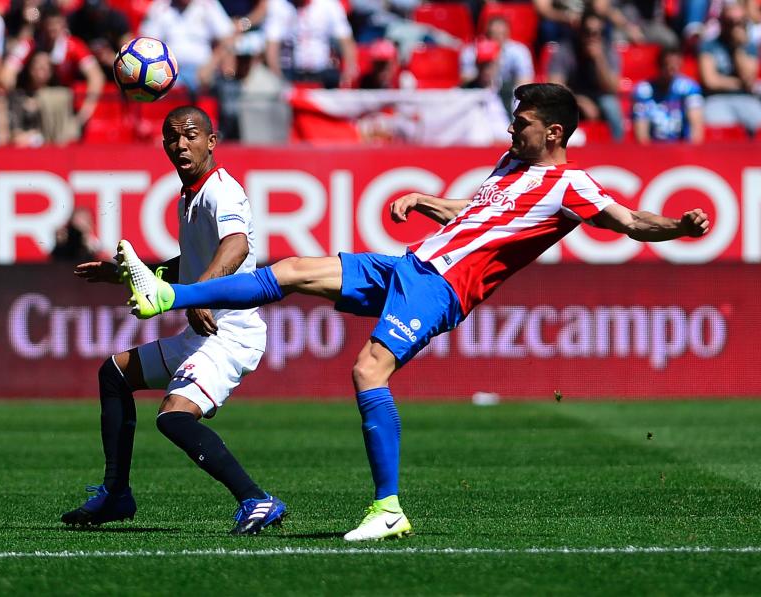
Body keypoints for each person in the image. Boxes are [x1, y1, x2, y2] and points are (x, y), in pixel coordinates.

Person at [117, 83, 710, 541]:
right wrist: (427, 200)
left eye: (522, 124)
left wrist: (678, 227)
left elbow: (630, 222)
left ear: (555, 132)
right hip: (411, 265)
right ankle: (168, 295)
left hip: (440, 289)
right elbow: (477, 214)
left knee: (367, 371)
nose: (512, 129)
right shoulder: (511, 166)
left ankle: (388, 509)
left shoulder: (571, 185)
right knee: (297, 269)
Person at [61, 106, 286, 535]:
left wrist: (201, 290)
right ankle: (115, 494)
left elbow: (236, 245)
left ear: (211, 142)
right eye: (171, 137)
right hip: (199, 332)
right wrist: (122, 273)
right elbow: (190, 263)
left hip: (229, 333)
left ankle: (257, 499)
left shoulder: (223, 191)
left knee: (173, 417)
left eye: (190, 135)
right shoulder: (190, 194)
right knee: (113, 374)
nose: (180, 144)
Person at [548, 10, 624, 140]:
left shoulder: (608, 51)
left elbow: (612, 88)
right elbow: (555, 86)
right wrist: (580, 101)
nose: (591, 37)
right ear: (580, 31)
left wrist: (599, 59)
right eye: (587, 32)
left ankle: (618, 148)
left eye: (596, 33)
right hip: (572, 97)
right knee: (556, 108)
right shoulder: (566, 50)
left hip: (600, 97)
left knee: (611, 105)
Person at [698, 3, 761, 136]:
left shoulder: (749, 47)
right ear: (722, 22)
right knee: (718, 126)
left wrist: (737, 48)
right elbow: (710, 82)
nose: (734, 27)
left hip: (746, 99)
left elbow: (748, 79)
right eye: (730, 22)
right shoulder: (708, 45)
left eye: (739, 22)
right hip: (716, 99)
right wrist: (740, 84)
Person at [264, 0, 359, 89]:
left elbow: (345, 39)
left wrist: (349, 70)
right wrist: (278, 79)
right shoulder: (279, 5)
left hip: (323, 72)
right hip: (291, 73)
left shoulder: (328, 4)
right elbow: (272, 45)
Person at [632, 46, 704, 143]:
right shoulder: (643, 91)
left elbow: (696, 128)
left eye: (675, 67)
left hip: (682, 149)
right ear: (659, 66)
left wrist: (691, 152)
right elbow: (641, 134)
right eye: (667, 66)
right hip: (653, 150)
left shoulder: (689, 88)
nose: (671, 72)